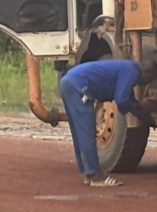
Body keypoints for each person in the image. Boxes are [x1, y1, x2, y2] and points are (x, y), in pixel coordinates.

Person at [58, 58, 143, 188]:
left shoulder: (125, 68)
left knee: (79, 131)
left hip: (69, 81)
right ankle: (95, 176)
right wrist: (139, 111)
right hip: (79, 85)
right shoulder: (133, 70)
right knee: (87, 131)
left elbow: (124, 95)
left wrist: (137, 109)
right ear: (146, 73)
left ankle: (89, 173)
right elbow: (121, 99)